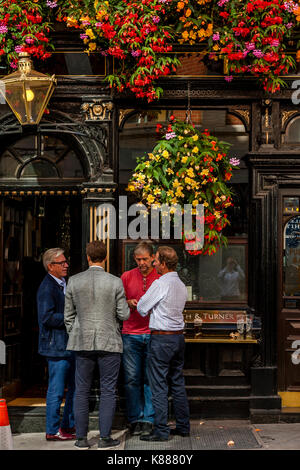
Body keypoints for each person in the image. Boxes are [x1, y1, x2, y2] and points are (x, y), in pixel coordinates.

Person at [64, 240, 130, 450]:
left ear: (88, 257)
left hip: (82, 341)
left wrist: (76, 333)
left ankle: (81, 438)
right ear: (105, 258)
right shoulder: (115, 282)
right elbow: (124, 314)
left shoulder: (73, 281)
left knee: (81, 391)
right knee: (108, 390)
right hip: (109, 340)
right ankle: (104, 438)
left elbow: (68, 317)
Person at [137, 246, 190, 442]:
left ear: (164, 264)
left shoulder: (160, 284)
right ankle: (183, 427)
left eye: (156, 260)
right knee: (177, 382)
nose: (153, 263)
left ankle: (161, 430)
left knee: (158, 385)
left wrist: (148, 307)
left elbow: (142, 308)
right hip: (178, 337)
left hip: (161, 338)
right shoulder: (181, 285)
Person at [37, 248, 76, 441]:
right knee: (57, 389)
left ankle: (68, 425)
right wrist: (71, 318)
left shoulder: (63, 283)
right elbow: (46, 317)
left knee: (73, 387)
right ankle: (52, 430)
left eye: (66, 262)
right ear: (50, 266)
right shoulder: (47, 287)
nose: (66, 265)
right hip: (56, 346)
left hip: (68, 345)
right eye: (62, 263)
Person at [121, 241, 159, 436]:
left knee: (150, 378)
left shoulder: (160, 278)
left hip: (153, 333)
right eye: (138, 259)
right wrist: (127, 302)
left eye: (145, 259)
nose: (142, 263)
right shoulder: (126, 277)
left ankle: (149, 418)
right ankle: (135, 418)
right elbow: (117, 303)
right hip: (130, 334)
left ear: (153, 257)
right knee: (132, 379)